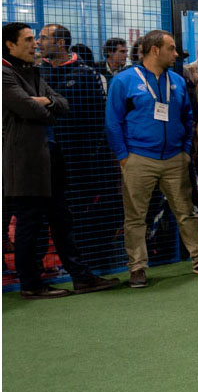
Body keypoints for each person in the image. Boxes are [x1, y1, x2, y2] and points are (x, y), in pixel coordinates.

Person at [3, 22, 119, 299]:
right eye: (29, 39)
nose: (35, 43)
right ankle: (31, 285)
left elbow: (61, 104)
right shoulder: (5, 75)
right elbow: (30, 108)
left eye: (37, 38)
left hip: (49, 157)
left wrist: (46, 102)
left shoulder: (32, 72)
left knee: (61, 219)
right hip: (24, 161)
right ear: (10, 44)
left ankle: (81, 277)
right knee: (30, 224)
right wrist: (46, 106)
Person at [105, 30, 198, 288]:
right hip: (138, 158)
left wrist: (185, 151)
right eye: (171, 48)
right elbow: (113, 122)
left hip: (174, 159)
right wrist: (124, 157)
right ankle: (137, 268)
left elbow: (188, 118)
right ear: (155, 50)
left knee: (187, 212)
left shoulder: (176, 81)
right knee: (135, 217)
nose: (176, 54)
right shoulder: (124, 81)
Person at [38, 24, 118, 268]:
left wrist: (91, 154)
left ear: (60, 43)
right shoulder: (37, 73)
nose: (39, 42)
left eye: (44, 38)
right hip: (44, 158)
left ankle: (88, 262)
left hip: (79, 160)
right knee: (45, 214)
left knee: (81, 211)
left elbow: (98, 118)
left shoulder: (85, 74)